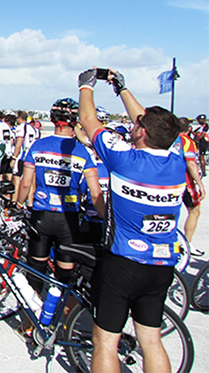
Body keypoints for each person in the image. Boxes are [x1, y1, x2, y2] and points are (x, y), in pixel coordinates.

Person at [78, 68, 186, 373]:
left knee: (105, 343)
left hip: (123, 264)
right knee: (150, 340)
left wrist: (86, 86)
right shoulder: (176, 158)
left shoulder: (125, 158)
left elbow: (89, 122)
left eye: (139, 125)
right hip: (162, 266)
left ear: (141, 133)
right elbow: (157, 128)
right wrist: (122, 89)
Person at [16, 98, 103, 320]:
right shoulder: (83, 152)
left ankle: (30, 324)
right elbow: (95, 193)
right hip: (69, 219)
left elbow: (26, 184)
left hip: (41, 217)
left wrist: (17, 204)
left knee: (36, 271)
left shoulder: (38, 145)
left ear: (53, 119)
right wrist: (106, 220)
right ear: (74, 122)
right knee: (65, 275)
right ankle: (62, 322)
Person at [178, 117, 206, 255]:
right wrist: (200, 184)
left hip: (168, 182)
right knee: (195, 211)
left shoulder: (168, 139)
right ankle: (187, 244)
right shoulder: (187, 141)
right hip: (185, 182)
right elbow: (191, 164)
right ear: (189, 129)